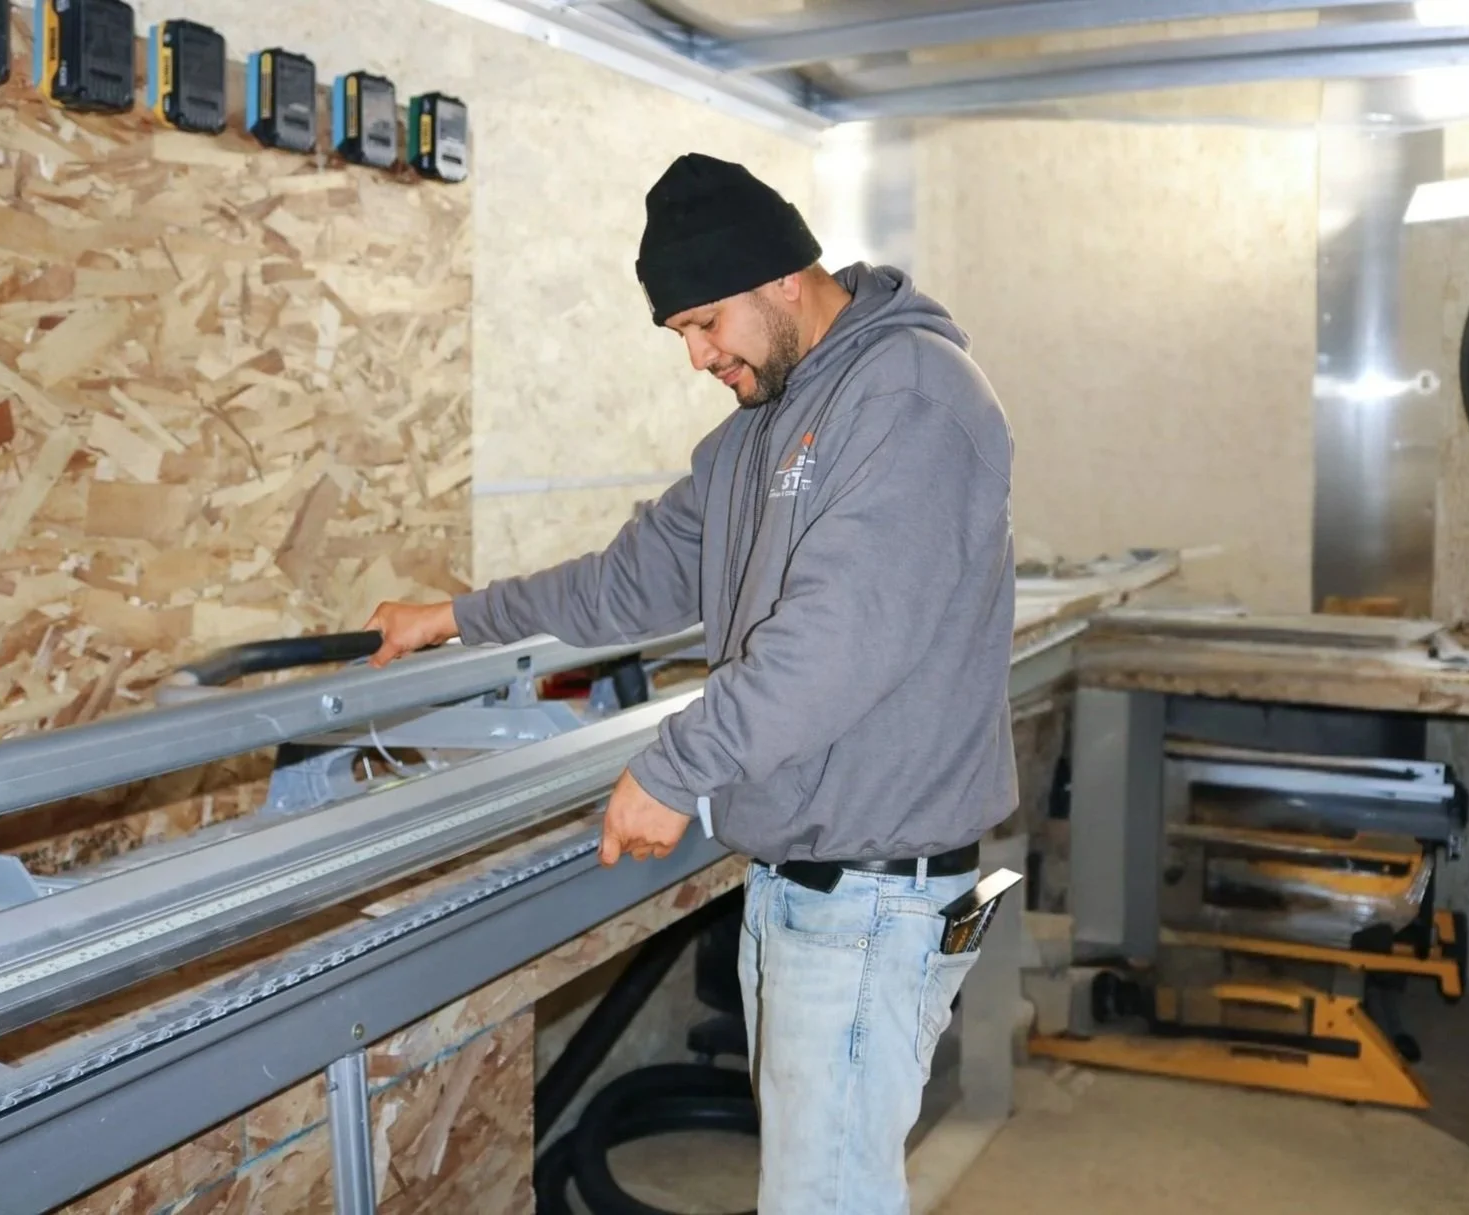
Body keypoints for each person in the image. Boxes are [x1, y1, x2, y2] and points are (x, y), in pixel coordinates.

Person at [363, 152, 1016, 1214]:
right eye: (680, 334)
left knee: (827, 1199)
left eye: (705, 323)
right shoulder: (763, 427)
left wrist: (676, 769)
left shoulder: (909, 398)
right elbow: (633, 579)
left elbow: (835, 638)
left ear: (781, 277)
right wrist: (452, 616)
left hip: (869, 895)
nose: (698, 354)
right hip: (805, 882)